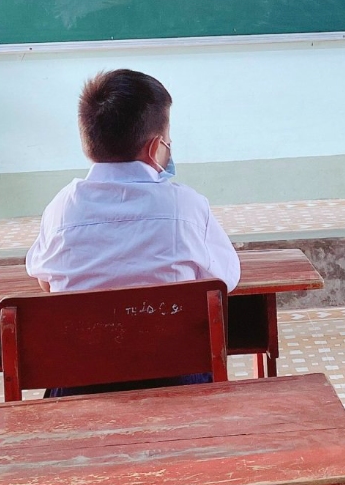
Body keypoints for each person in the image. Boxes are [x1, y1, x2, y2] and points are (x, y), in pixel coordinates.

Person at [27, 70, 239, 395]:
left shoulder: (62, 208)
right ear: (156, 147)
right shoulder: (185, 205)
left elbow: (45, 282)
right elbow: (224, 281)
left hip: (80, 387)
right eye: (168, 140)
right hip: (177, 384)